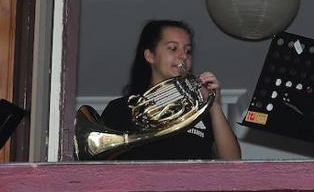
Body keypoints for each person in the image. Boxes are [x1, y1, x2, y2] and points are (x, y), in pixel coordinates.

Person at [101, 20, 241, 161]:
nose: (183, 56)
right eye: (173, 48)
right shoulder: (121, 109)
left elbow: (232, 162)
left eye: (188, 51)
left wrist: (214, 105)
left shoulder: (201, 110)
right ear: (150, 56)